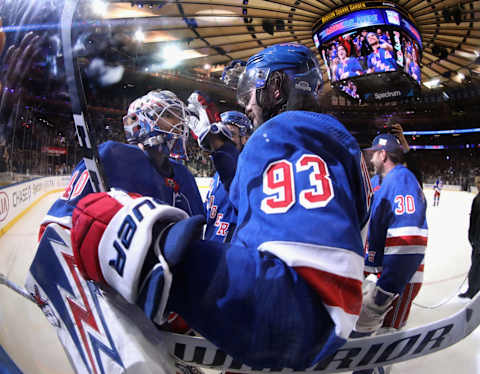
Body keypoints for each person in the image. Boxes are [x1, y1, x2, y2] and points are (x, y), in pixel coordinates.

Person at [68, 43, 372, 370]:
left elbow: (297, 308)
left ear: (277, 87)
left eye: (251, 92)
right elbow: (242, 200)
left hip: (267, 330)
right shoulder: (330, 145)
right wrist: (220, 148)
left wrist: (152, 255)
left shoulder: (284, 132)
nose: (247, 105)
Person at [40, 88, 205, 238]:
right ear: (141, 121)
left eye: (180, 116)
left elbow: (196, 236)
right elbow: (59, 222)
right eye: (169, 115)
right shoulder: (111, 156)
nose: (178, 123)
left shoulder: (184, 175)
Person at [352, 133, 428, 374]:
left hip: (395, 283)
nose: (371, 158)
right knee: (365, 345)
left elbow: (410, 240)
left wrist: (385, 291)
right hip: (380, 280)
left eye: (374, 153)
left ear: (383, 154)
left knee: (381, 347)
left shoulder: (401, 180)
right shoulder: (383, 182)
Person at [187, 93, 253, 242]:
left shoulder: (249, 171)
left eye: (230, 134)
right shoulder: (218, 175)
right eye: (222, 134)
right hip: (212, 250)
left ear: (246, 139)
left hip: (231, 255)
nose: (224, 139)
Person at [459, 176, 480, 299]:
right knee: (475, 266)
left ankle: (474, 292)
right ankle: (472, 290)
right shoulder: (477, 198)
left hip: (478, 241)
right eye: (477, 182)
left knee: (476, 268)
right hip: (475, 240)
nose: (477, 184)